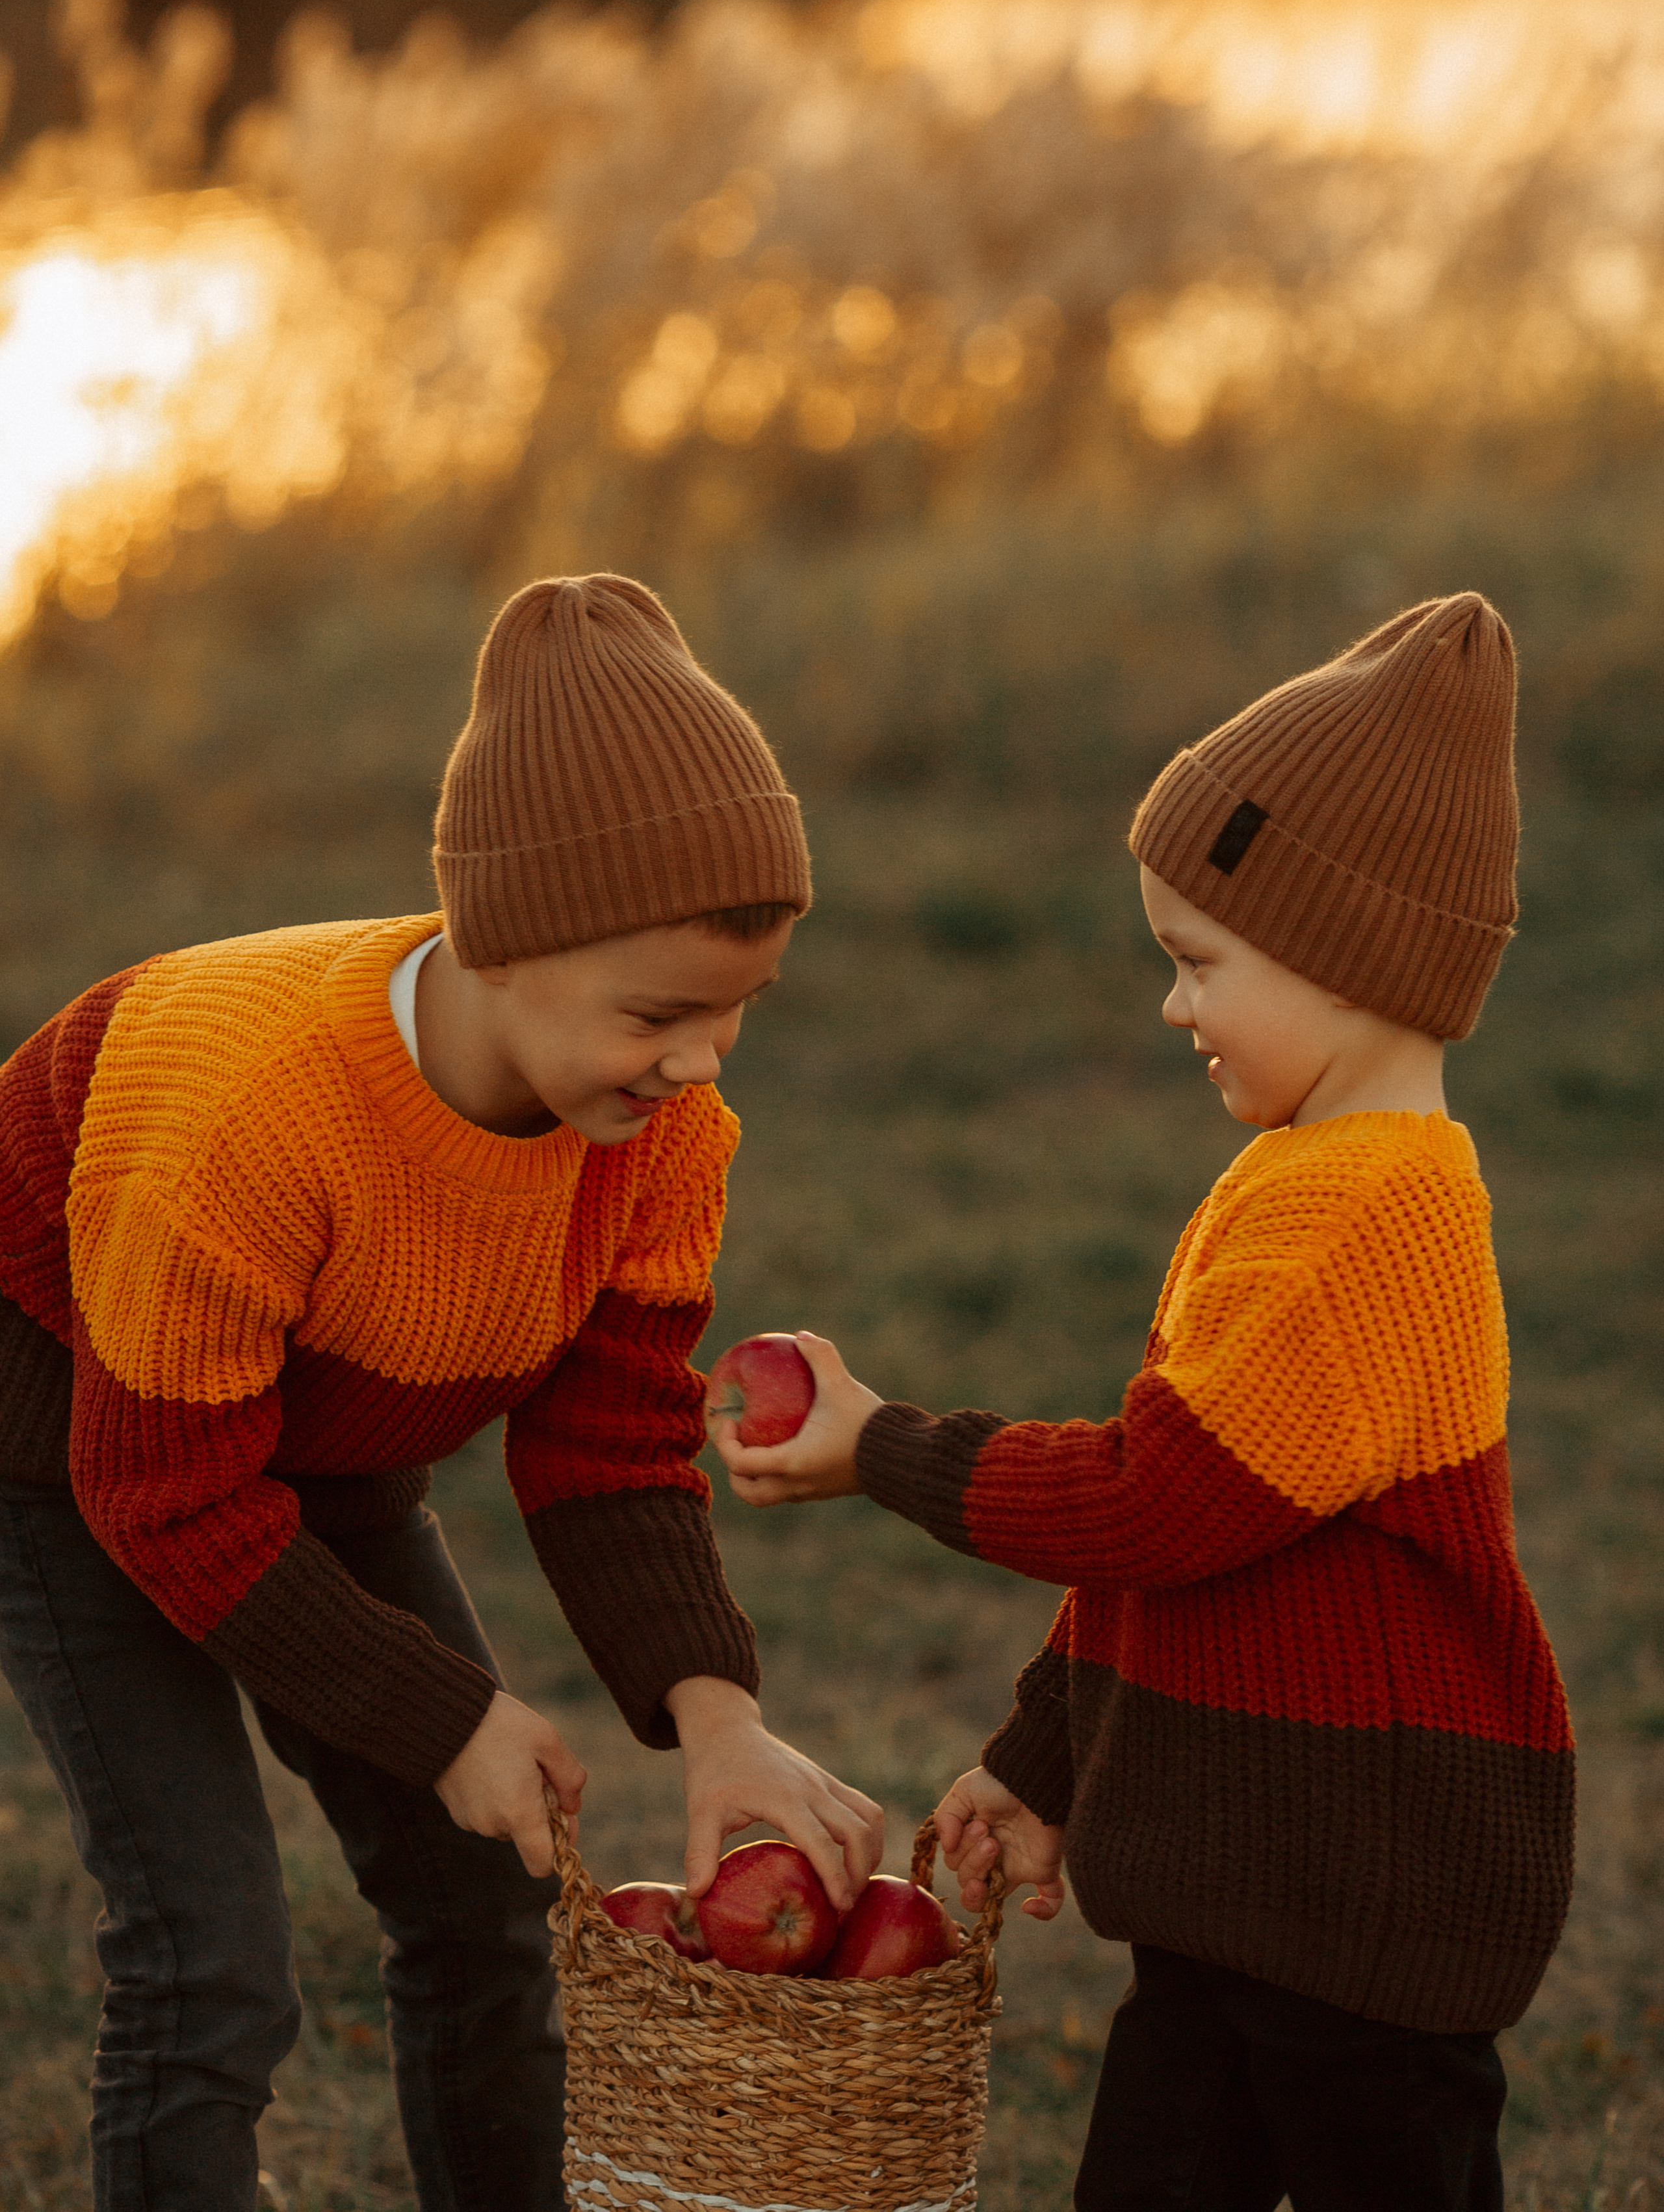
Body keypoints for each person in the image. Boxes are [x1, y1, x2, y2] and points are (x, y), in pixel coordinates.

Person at [0, 571, 883, 2212]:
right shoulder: (253, 1115)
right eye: (657, 1013)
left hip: (320, 1443)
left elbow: (608, 1441)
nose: (703, 1062)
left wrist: (719, 1721)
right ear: (498, 945)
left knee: (483, 1906)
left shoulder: (659, 1133)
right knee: (208, 1955)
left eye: (737, 1009)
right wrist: (440, 1713)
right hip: (78, 1446)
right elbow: (169, 1496)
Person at [714, 593, 1574, 2212]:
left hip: (1363, 1915)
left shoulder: (1367, 1214)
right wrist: (1042, 1758)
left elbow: (1152, 1500)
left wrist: (884, 1446)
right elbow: (1180, 1547)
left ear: (1347, 955)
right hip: (1243, 1895)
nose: (1173, 1006)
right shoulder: (1298, 1180)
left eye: (1200, 964)